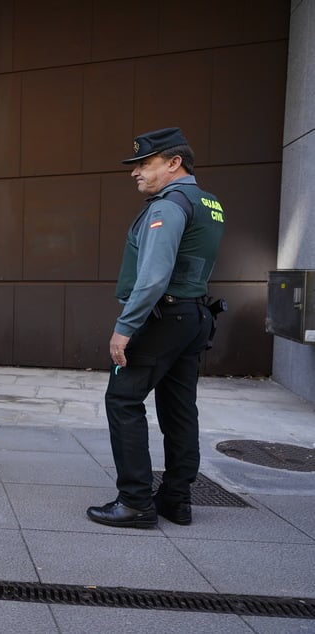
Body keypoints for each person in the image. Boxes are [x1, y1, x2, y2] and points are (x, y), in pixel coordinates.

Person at [87, 127, 225, 529]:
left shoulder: (167, 206)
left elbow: (153, 277)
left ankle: (135, 502)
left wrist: (124, 327)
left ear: (173, 162)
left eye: (144, 164)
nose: (135, 173)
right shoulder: (209, 202)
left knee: (123, 400)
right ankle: (176, 500)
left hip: (162, 318)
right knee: (179, 409)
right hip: (194, 316)